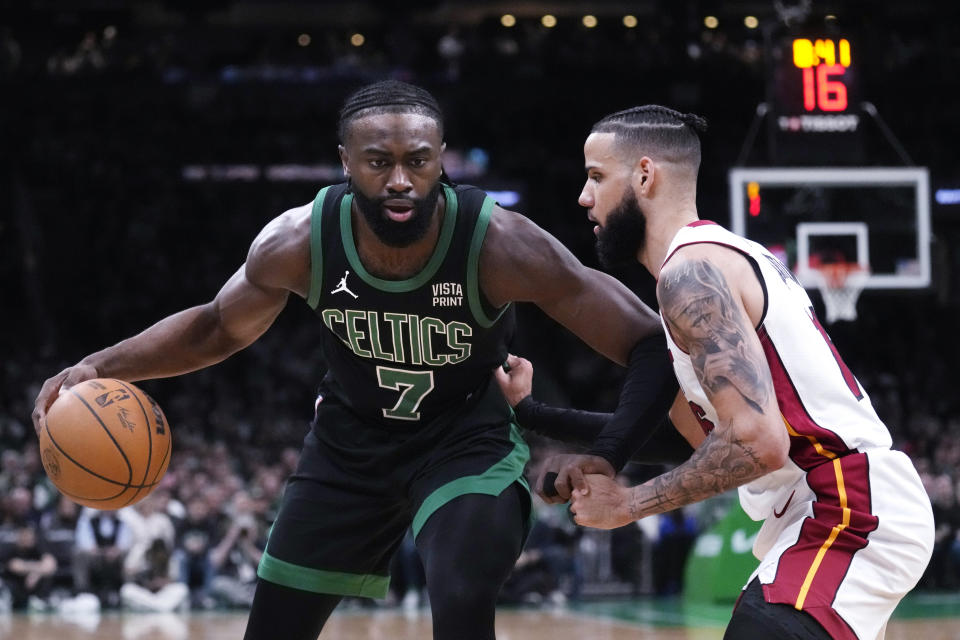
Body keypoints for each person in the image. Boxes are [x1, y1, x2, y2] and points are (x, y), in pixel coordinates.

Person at [32, 80, 676, 640]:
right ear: (345, 162)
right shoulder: (298, 242)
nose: (400, 180)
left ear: (440, 160)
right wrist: (104, 364)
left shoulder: (500, 244)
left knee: (460, 594)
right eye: (378, 162)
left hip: (464, 443)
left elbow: (647, 341)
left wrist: (611, 453)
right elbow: (215, 327)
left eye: (419, 161)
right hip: (347, 448)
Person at [561, 105, 934, 639]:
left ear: (645, 175)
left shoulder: (689, 275)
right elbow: (707, 445)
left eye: (597, 176)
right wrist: (538, 417)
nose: (584, 197)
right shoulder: (719, 259)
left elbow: (758, 444)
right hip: (821, 510)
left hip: (847, 506)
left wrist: (628, 504)